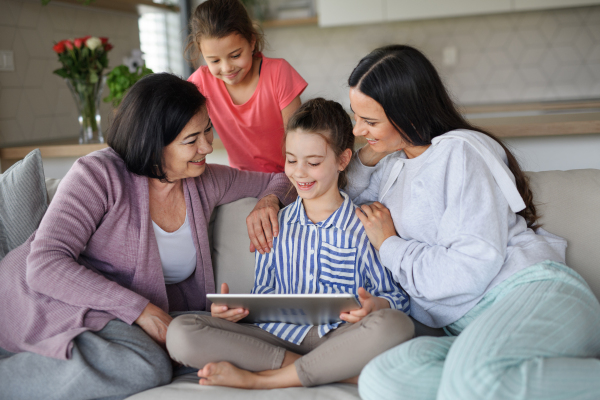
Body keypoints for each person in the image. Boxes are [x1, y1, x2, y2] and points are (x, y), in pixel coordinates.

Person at [0, 73, 294, 400]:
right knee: (146, 365)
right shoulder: (97, 175)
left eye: (208, 129)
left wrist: (270, 200)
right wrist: (142, 311)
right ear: (153, 144)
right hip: (46, 296)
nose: (208, 146)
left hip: (116, 314)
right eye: (191, 139)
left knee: (203, 344)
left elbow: (282, 178)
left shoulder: (205, 180)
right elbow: (44, 264)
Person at [342, 45, 600, 400]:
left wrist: (390, 245)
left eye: (370, 121)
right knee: (385, 380)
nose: (357, 131)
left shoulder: (460, 152)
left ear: (409, 114)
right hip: (468, 330)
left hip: (531, 293)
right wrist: (372, 150)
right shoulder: (391, 165)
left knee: (472, 382)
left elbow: (468, 270)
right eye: (356, 117)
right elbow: (342, 198)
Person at [166, 98, 413, 389]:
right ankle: (330, 371)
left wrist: (375, 306)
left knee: (396, 326)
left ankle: (262, 380)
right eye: (291, 160)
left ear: (343, 160)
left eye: (314, 162)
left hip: (340, 338)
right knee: (182, 332)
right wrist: (235, 315)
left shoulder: (366, 224)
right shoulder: (275, 222)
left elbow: (397, 300)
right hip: (275, 338)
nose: (299, 172)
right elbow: (264, 293)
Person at [187, 0, 307, 175]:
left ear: (251, 41)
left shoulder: (279, 73)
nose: (227, 68)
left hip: (290, 175)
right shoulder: (201, 82)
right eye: (214, 60)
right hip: (243, 180)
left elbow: (299, 139)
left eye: (235, 55)